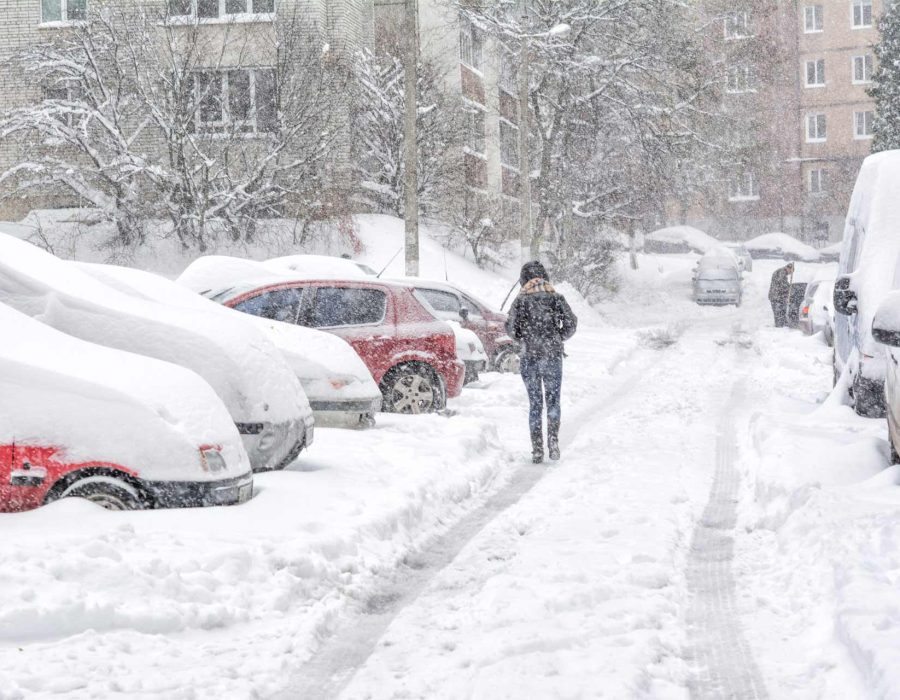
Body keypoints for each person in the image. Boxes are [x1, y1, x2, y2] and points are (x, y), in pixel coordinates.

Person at [506, 261, 578, 463]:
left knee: (535, 404)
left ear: (523, 279)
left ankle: (537, 449)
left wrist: (524, 338)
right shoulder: (556, 297)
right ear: (544, 276)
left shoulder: (520, 300)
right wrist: (557, 337)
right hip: (553, 355)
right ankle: (553, 441)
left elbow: (511, 329)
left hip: (530, 356)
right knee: (553, 401)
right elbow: (571, 323)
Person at [769, 262, 794, 327]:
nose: (789, 274)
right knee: (779, 313)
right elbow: (782, 284)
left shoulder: (781, 272)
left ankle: (780, 325)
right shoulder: (782, 272)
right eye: (790, 272)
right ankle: (779, 327)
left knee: (778, 314)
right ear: (788, 268)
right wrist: (789, 287)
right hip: (776, 297)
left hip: (776, 296)